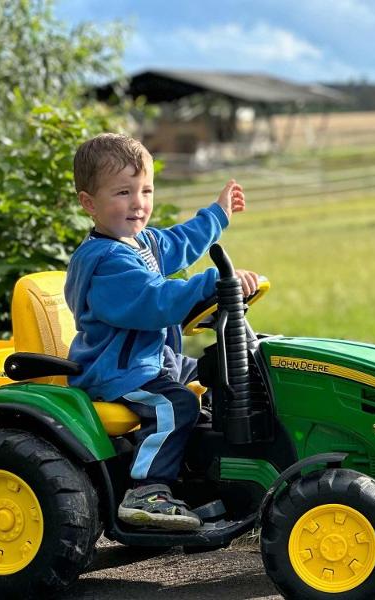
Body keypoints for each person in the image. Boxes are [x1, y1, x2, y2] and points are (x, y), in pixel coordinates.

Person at [64, 133, 259, 530]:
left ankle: (204, 469)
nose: (138, 203)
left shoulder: (141, 242)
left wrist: (218, 214)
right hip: (118, 371)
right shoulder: (106, 263)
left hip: (153, 361)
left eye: (146, 190)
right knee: (177, 404)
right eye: (123, 192)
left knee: (220, 372)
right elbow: (154, 301)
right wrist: (211, 283)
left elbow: (181, 240)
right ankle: (146, 491)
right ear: (89, 203)